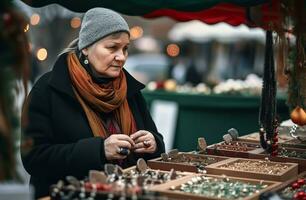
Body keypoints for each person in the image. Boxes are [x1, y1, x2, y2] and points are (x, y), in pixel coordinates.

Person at [21, 8, 165, 198]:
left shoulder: (130, 90)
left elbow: (157, 143)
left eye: (125, 48)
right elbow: (34, 158)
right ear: (86, 48)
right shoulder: (48, 89)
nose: (121, 56)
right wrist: (99, 150)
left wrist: (153, 143)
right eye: (112, 48)